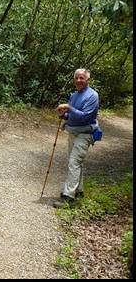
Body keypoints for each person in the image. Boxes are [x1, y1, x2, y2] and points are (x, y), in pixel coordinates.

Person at [53, 68, 100, 208]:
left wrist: (69, 107)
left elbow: (86, 116)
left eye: (82, 78)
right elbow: (72, 116)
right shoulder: (74, 95)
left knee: (74, 162)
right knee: (75, 162)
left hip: (85, 133)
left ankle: (68, 197)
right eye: (77, 78)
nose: (79, 80)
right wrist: (63, 115)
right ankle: (79, 191)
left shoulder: (92, 96)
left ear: (88, 80)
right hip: (73, 132)